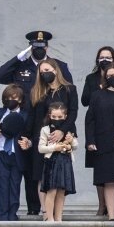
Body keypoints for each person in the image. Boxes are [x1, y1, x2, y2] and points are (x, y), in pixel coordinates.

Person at [0, 30, 72, 216]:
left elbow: (67, 94)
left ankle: (50, 210)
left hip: (54, 124)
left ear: (47, 47)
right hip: (27, 124)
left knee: (53, 168)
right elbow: (0, 76)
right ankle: (33, 208)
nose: (39, 50)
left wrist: (64, 128)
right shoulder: (22, 66)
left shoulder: (59, 66)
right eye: (35, 47)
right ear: (31, 48)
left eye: (41, 46)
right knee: (30, 168)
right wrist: (18, 57)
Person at [26, 59, 78, 216]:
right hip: (42, 136)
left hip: (63, 136)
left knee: (60, 175)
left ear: (55, 70)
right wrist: (27, 137)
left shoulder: (69, 89)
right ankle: (45, 211)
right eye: (41, 72)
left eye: (47, 70)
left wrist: (62, 131)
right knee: (42, 174)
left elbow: (74, 112)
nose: (44, 74)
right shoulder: (38, 90)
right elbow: (32, 116)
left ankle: (57, 213)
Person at [84, 63, 114, 220]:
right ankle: (111, 215)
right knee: (108, 180)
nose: (113, 78)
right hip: (103, 142)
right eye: (109, 76)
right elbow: (90, 119)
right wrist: (90, 141)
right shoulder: (98, 95)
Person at [0, 84, 30, 221]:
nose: (10, 100)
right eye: (7, 98)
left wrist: (29, 143)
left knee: (14, 185)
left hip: (17, 154)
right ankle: (1, 215)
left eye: (14, 98)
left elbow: (31, 134)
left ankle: (12, 214)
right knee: (1, 184)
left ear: (20, 99)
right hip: (1, 152)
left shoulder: (26, 114)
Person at [38, 101, 77, 222]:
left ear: (65, 117)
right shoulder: (45, 129)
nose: (57, 119)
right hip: (52, 162)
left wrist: (71, 142)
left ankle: (59, 218)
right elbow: (40, 148)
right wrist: (54, 147)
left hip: (65, 162)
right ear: (49, 116)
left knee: (61, 191)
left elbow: (75, 145)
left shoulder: (68, 129)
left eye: (60, 117)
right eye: (54, 116)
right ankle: (50, 218)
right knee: (52, 191)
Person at [81, 46, 114, 110]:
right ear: (98, 60)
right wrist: (99, 90)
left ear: (113, 60)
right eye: (102, 57)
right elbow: (84, 102)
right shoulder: (91, 78)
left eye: (108, 58)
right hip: (95, 115)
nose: (104, 60)